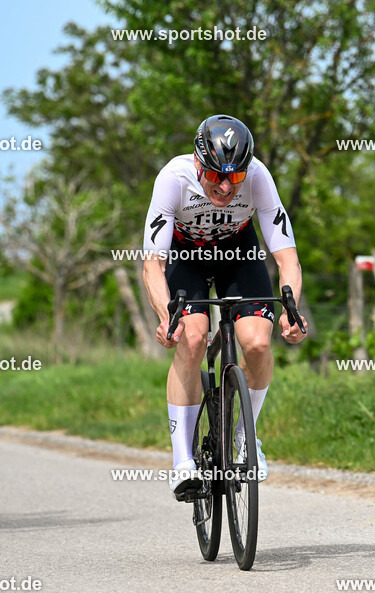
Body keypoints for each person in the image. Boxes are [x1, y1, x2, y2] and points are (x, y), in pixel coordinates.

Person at [140, 114, 307, 499]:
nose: (227, 186)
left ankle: (246, 437)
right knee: (192, 338)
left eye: (236, 177)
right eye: (216, 175)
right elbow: (153, 265)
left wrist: (291, 309)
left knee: (258, 343)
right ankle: (183, 461)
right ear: (198, 164)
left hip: (239, 254)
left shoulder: (259, 177)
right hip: (186, 257)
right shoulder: (173, 178)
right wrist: (166, 318)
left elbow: (287, 258)